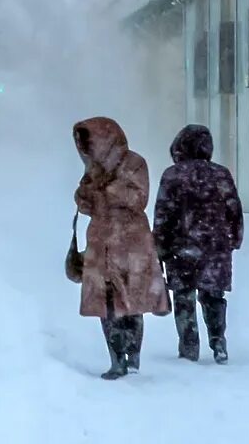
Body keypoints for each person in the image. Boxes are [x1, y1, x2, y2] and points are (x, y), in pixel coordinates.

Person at [73, 117, 170, 380]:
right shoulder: (93, 169)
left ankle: (133, 354)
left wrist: (105, 191)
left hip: (131, 242)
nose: (87, 148)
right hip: (101, 243)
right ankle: (117, 360)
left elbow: (138, 198)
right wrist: (84, 197)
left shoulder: (134, 163)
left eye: (90, 141)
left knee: (132, 300)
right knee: (106, 305)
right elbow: (86, 205)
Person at [153, 125, 243, 364]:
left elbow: (163, 214)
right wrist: (235, 238)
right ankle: (218, 340)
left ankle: (189, 347)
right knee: (214, 294)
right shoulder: (221, 174)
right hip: (216, 247)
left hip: (181, 247)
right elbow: (234, 209)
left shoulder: (172, 175)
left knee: (184, 296)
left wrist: (159, 246)